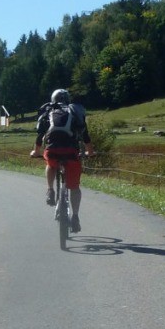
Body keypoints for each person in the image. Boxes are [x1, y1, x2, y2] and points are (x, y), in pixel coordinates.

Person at [29, 89, 94, 233]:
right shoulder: (74, 111)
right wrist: (90, 152)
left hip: (52, 150)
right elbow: (85, 135)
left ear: (53, 99)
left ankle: (50, 190)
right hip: (71, 152)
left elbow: (40, 134)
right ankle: (75, 216)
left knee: (50, 164)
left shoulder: (49, 110)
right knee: (75, 187)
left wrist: (36, 152)